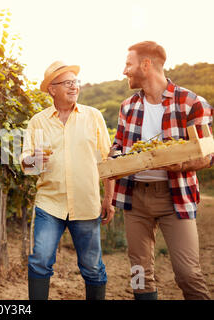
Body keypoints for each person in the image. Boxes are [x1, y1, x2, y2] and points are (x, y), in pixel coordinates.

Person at [111, 41, 213, 300]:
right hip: (134, 198)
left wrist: (180, 165)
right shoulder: (127, 106)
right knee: (138, 273)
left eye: (128, 64)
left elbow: (208, 154)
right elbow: (119, 145)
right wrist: (110, 160)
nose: (125, 71)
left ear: (146, 65)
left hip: (174, 196)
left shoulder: (191, 102)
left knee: (188, 273)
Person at [20, 61, 115, 300]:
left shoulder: (93, 117)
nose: (75, 87)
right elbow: (26, 166)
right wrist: (35, 160)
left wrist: (109, 199)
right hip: (49, 204)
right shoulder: (37, 122)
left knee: (92, 267)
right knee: (40, 261)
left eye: (76, 82)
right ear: (52, 89)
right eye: (68, 83)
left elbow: (108, 161)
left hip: (86, 203)